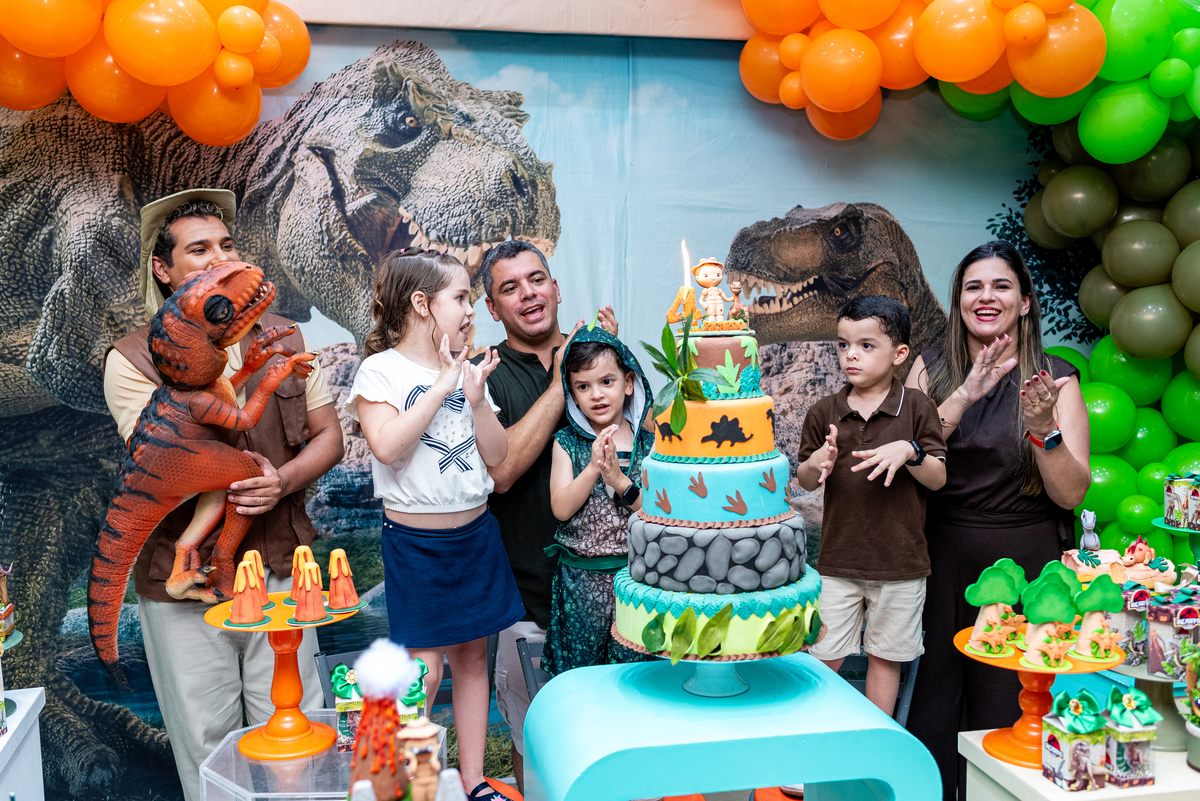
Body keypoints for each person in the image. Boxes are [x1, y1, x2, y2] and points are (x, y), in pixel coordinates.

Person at [102, 188, 345, 801]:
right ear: (163, 269)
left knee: (297, 739)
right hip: (184, 590)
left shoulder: (284, 337)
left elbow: (330, 437)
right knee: (210, 753)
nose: (220, 258)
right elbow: (171, 463)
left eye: (227, 245)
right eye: (199, 249)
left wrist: (282, 480)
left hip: (282, 572)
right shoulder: (133, 359)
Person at [903, 241, 1090, 801]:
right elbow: (907, 452)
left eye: (1001, 286)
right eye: (973, 287)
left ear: (1025, 302)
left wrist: (1043, 429)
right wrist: (964, 396)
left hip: (1026, 562)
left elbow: (1070, 493)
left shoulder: (1057, 378)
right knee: (932, 706)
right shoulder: (930, 367)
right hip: (939, 558)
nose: (986, 297)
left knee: (1008, 706)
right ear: (958, 300)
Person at [347, 247, 523, 801]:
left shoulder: (468, 370)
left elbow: (497, 459)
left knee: (472, 658)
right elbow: (387, 446)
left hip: (476, 537)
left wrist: (476, 400)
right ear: (422, 304)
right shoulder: (381, 370)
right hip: (416, 545)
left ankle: (472, 781)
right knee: (424, 668)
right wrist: (443, 386)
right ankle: (416, 785)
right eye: (461, 298)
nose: (471, 310)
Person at [473, 240, 617, 792]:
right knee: (533, 740)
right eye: (510, 288)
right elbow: (502, 470)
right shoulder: (483, 376)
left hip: (612, 593)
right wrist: (561, 386)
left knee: (614, 736)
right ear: (492, 308)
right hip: (527, 596)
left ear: (556, 288)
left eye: (537, 280)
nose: (528, 294)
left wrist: (606, 360)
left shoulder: (597, 360)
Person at [797, 295, 947, 715]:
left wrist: (910, 451)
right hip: (838, 563)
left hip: (901, 565)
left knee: (885, 659)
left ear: (899, 354)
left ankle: (877, 742)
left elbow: (938, 477)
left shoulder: (917, 407)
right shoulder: (823, 411)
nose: (851, 355)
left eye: (866, 345)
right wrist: (818, 461)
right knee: (822, 657)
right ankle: (816, 737)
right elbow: (805, 479)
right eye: (843, 344)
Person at [544, 327, 655, 675]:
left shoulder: (649, 445)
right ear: (572, 394)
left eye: (607, 382)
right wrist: (593, 468)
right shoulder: (566, 442)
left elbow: (658, 513)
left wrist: (620, 482)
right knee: (582, 675)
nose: (596, 394)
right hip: (580, 584)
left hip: (636, 583)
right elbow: (561, 508)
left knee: (633, 675)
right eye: (583, 386)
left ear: (628, 382)